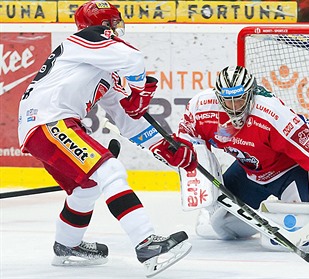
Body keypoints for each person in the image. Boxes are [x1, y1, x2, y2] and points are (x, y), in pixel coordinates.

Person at [17, 0, 196, 275]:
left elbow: (128, 118)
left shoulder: (105, 68)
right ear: (100, 27)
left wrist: (163, 144)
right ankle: (146, 242)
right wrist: (139, 89)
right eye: (110, 24)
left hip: (43, 125)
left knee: (86, 187)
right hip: (48, 121)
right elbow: (133, 60)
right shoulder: (83, 39)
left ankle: (67, 246)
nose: (114, 29)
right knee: (110, 170)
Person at [167, 65, 309, 240]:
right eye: (228, 100)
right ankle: (220, 210)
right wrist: (197, 176)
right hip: (249, 172)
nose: (234, 106)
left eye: (239, 99)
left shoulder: (270, 112)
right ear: (218, 96)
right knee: (222, 227)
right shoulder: (201, 108)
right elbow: (188, 140)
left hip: (291, 171)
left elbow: (308, 143)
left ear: (251, 93)